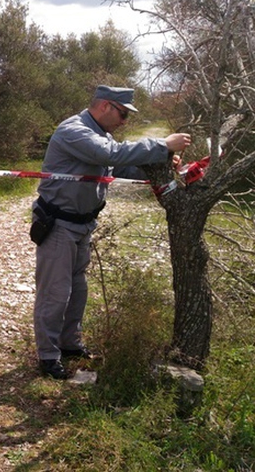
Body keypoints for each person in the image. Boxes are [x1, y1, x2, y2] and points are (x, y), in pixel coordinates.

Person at [31, 85, 191, 380]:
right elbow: (111, 154)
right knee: (55, 292)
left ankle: (69, 344)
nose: (124, 121)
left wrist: (162, 163)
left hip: (82, 224)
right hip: (59, 224)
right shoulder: (75, 130)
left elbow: (117, 168)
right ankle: (48, 356)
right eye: (122, 114)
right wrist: (162, 145)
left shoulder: (100, 134)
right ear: (105, 106)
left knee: (77, 290)